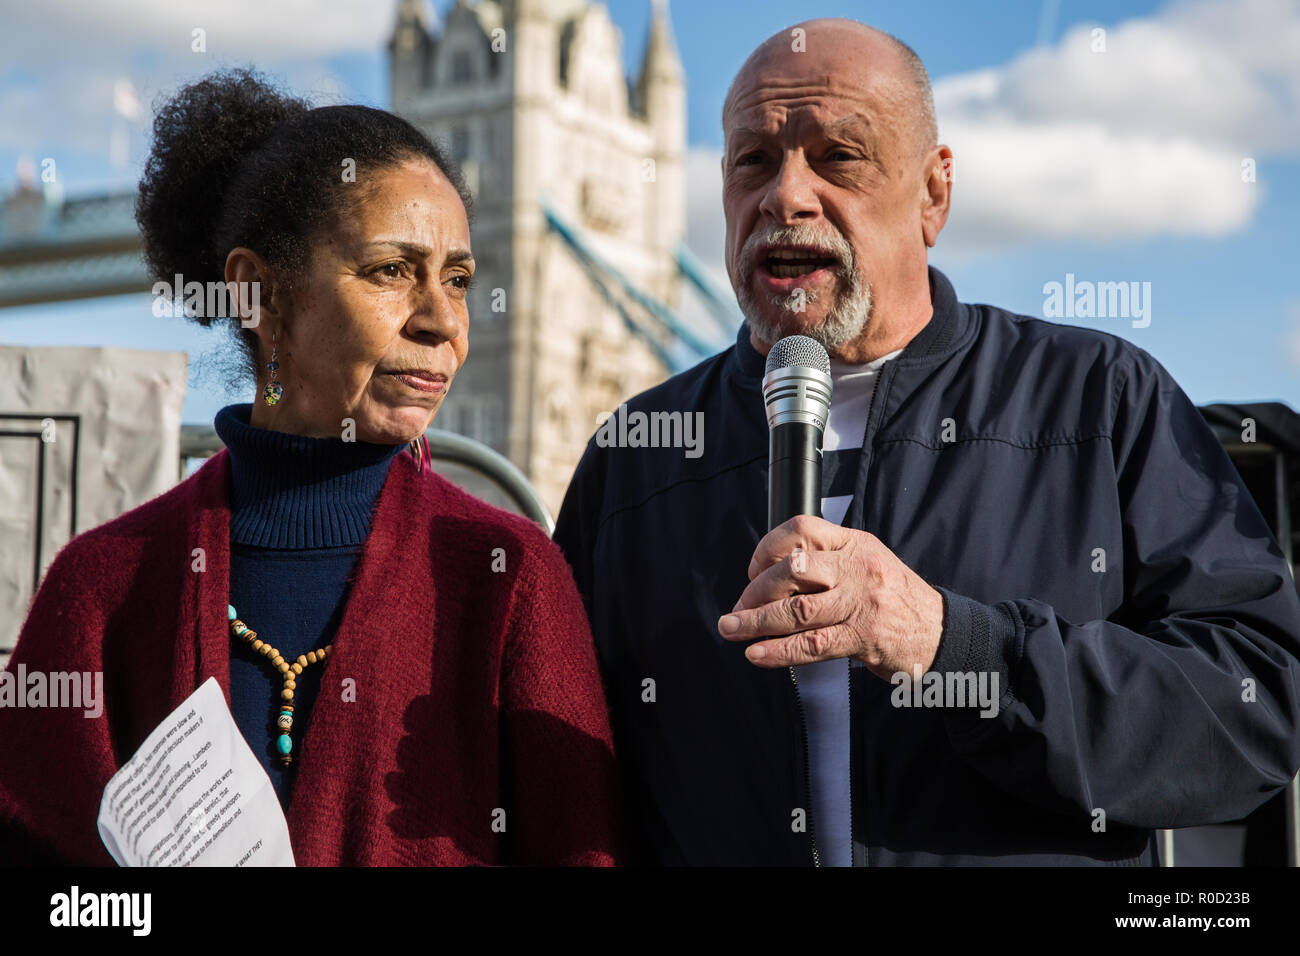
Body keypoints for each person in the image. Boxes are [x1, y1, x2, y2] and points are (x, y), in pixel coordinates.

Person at [553, 19, 1300, 865]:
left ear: (933, 195)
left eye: (838, 155)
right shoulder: (637, 457)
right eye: (752, 162)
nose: (786, 196)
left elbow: (1255, 711)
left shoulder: (1100, 401)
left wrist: (953, 645)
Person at [0, 69, 620, 866]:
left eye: (459, 280)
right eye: (393, 271)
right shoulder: (102, 587)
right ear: (259, 295)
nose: (443, 322)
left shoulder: (510, 578)